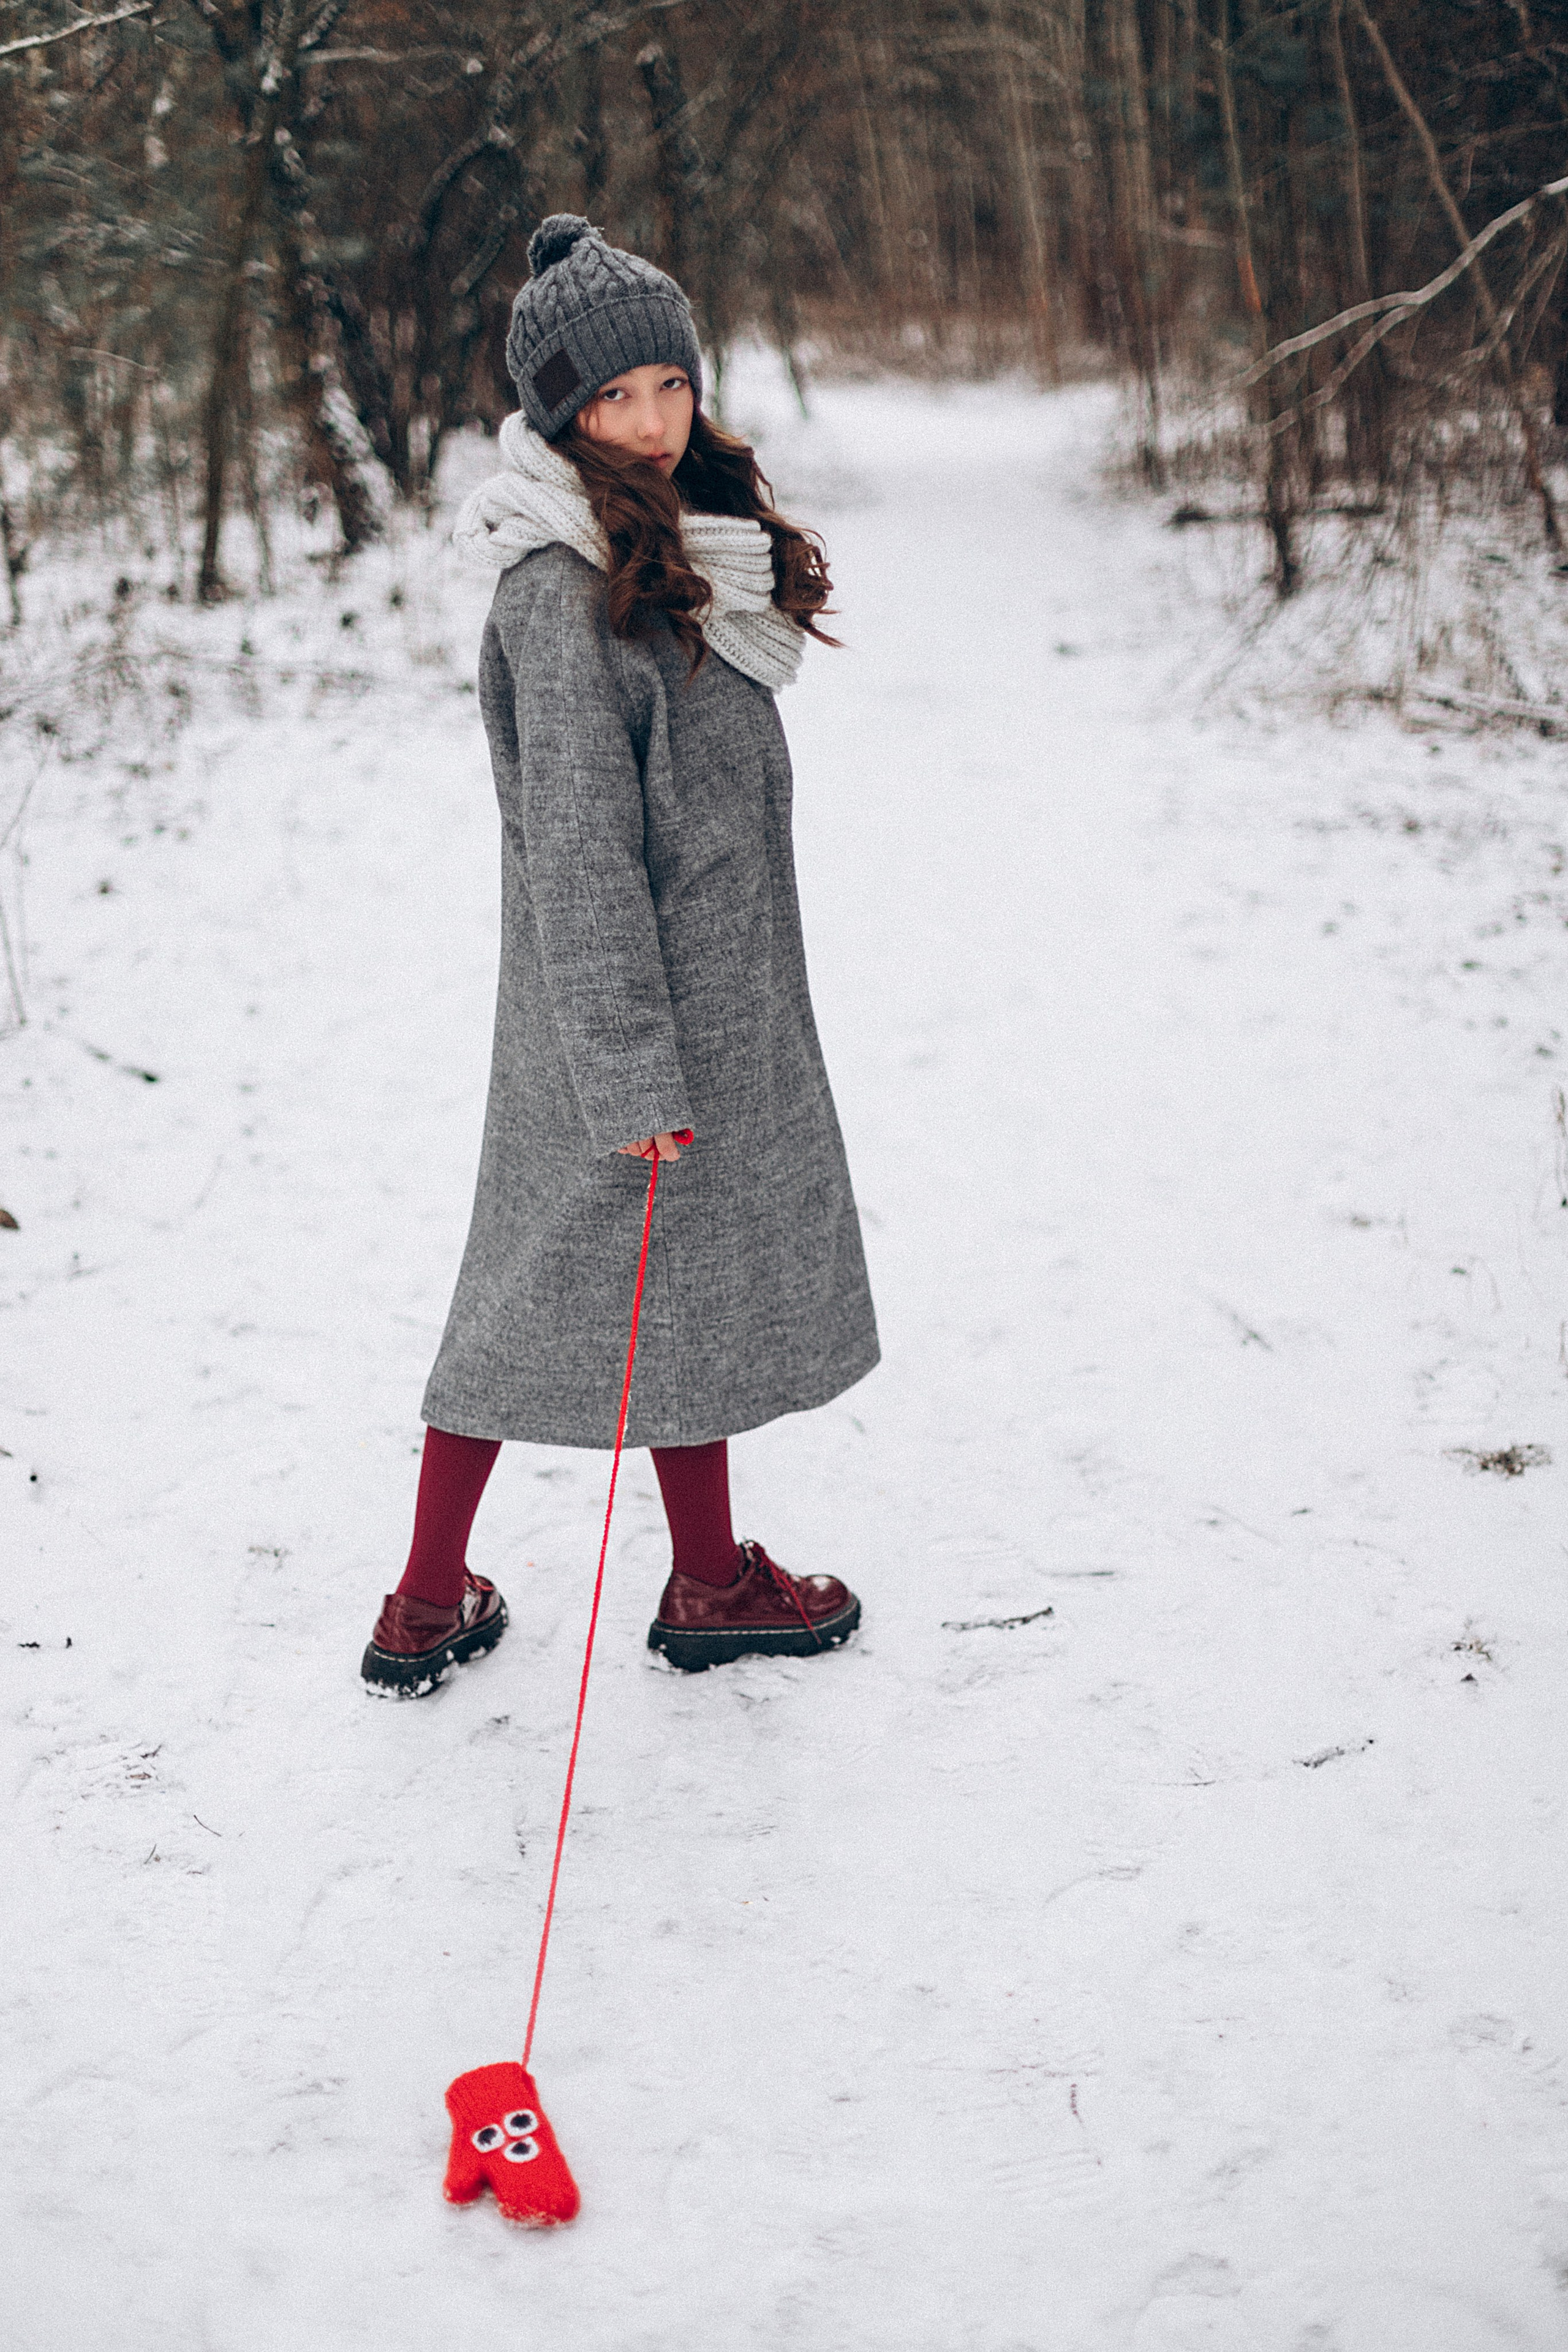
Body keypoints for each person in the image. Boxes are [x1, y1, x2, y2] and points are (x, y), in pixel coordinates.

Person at [360, 214, 880, 1697]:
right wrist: (629, 1068)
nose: (650, 423)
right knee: (529, 1290)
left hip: (702, 999)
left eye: (667, 385)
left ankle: (707, 1582)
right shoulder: (559, 587)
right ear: (555, 416)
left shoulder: (669, 551)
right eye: (612, 399)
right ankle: (419, 1599)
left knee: (682, 1288)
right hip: (624, 1017)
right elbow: (576, 852)